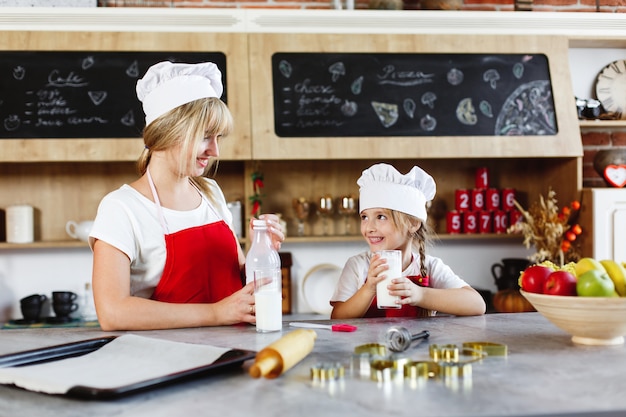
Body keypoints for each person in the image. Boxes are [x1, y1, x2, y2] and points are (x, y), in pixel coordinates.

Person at [89, 61, 284, 331]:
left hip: (233, 352)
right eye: (205, 137)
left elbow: (237, 284)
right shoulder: (122, 208)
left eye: (218, 138)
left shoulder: (211, 193)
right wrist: (216, 314)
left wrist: (261, 251)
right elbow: (112, 312)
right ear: (168, 132)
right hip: (166, 362)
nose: (214, 150)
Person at [330, 163, 486, 319]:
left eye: (381, 217)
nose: (369, 227)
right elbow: (337, 317)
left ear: (413, 224)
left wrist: (420, 295)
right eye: (364, 217)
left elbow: (477, 305)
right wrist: (368, 289)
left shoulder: (430, 267)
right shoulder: (358, 266)